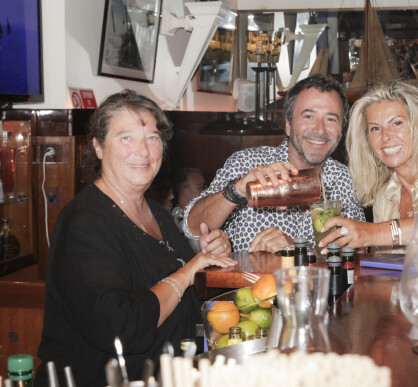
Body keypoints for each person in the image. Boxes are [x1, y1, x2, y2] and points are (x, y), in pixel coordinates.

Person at [36, 90, 237, 387]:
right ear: (99, 147)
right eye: (126, 137)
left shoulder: (156, 212)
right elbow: (117, 327)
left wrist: (208, 258)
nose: (143, 150)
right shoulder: (83, 223)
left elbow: (182, 290)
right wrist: (186, 274)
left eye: (152, 138)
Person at [183, 74, 366, 253]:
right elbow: (193, 227)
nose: (320, 130)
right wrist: (237, 190)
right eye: (308, 116)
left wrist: (297, 250)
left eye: (331, 119)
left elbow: (358, 252)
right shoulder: (247, 163)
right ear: (288, 125)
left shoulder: (346, 180)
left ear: (341, 130)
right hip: (248, 284)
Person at [318, 80, 418, 252]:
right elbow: (385, 270)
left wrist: (373, 233)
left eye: (397, 123)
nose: (386, 136)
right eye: (375, 129)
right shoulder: (384, 197)